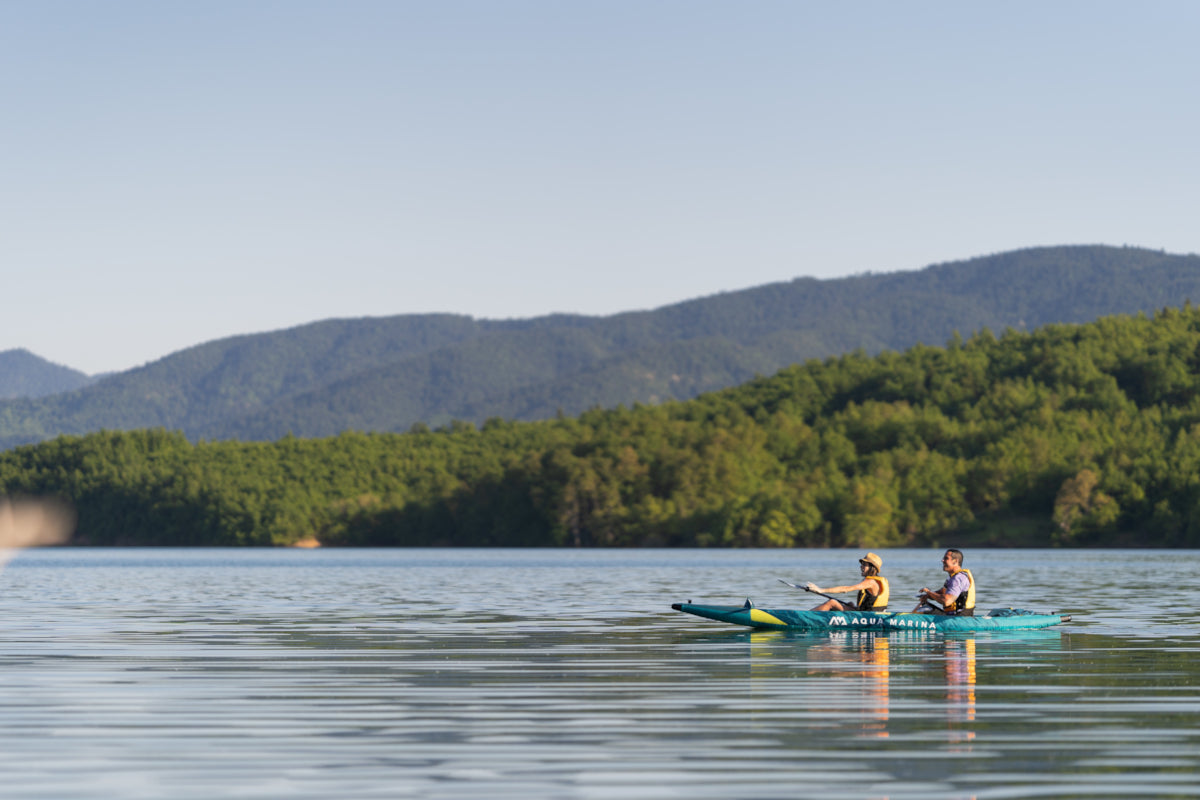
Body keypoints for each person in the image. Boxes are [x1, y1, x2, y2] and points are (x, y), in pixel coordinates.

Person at [806, 552, 890, 612]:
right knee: (850, 604)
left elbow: (846, 589)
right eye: (862, 564)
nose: (861, 566)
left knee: (832, 602)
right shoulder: (873, 581)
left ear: (872, 568)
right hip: (867, 614)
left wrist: (820, 590)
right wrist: (854, 608)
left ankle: (806, 617)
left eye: (864, 565)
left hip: (866, 616)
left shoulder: (870, 582)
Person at [912, 549, 976, 615]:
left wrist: (929, 592)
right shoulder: (952, 577)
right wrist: (928, 595)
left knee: (923, 607)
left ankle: (907, 621)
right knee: (923, 605)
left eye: (946, 558)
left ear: (955, 561)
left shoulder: (958, 578)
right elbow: (942, 592)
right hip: (952, 616)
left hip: (959, 619)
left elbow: (947, 601)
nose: (942, 560)